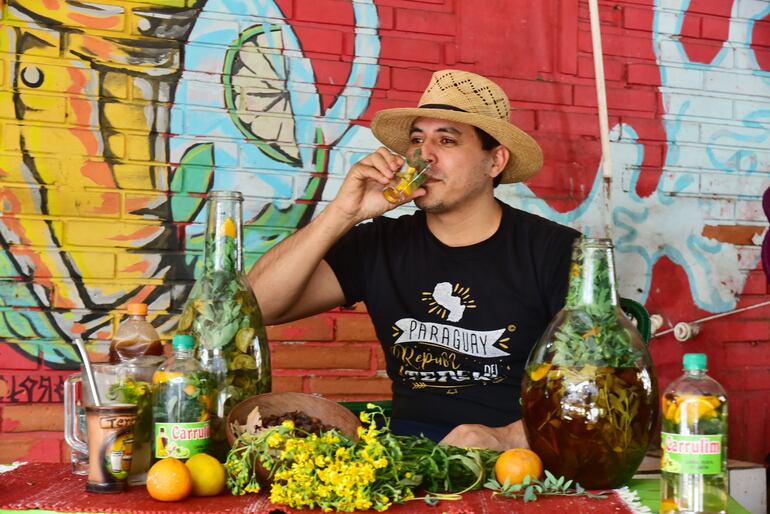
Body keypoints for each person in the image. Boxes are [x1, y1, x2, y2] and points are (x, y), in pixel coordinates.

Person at [248, 69, 580, 450]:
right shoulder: (378, 243)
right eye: (418, 140)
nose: (424, 155)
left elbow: (598, 382)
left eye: (447, 140)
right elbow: (256, 306)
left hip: (522, 458)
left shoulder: (559, 252)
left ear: (495, 161)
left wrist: (505, 438)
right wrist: (343, 212)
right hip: (409, 457)